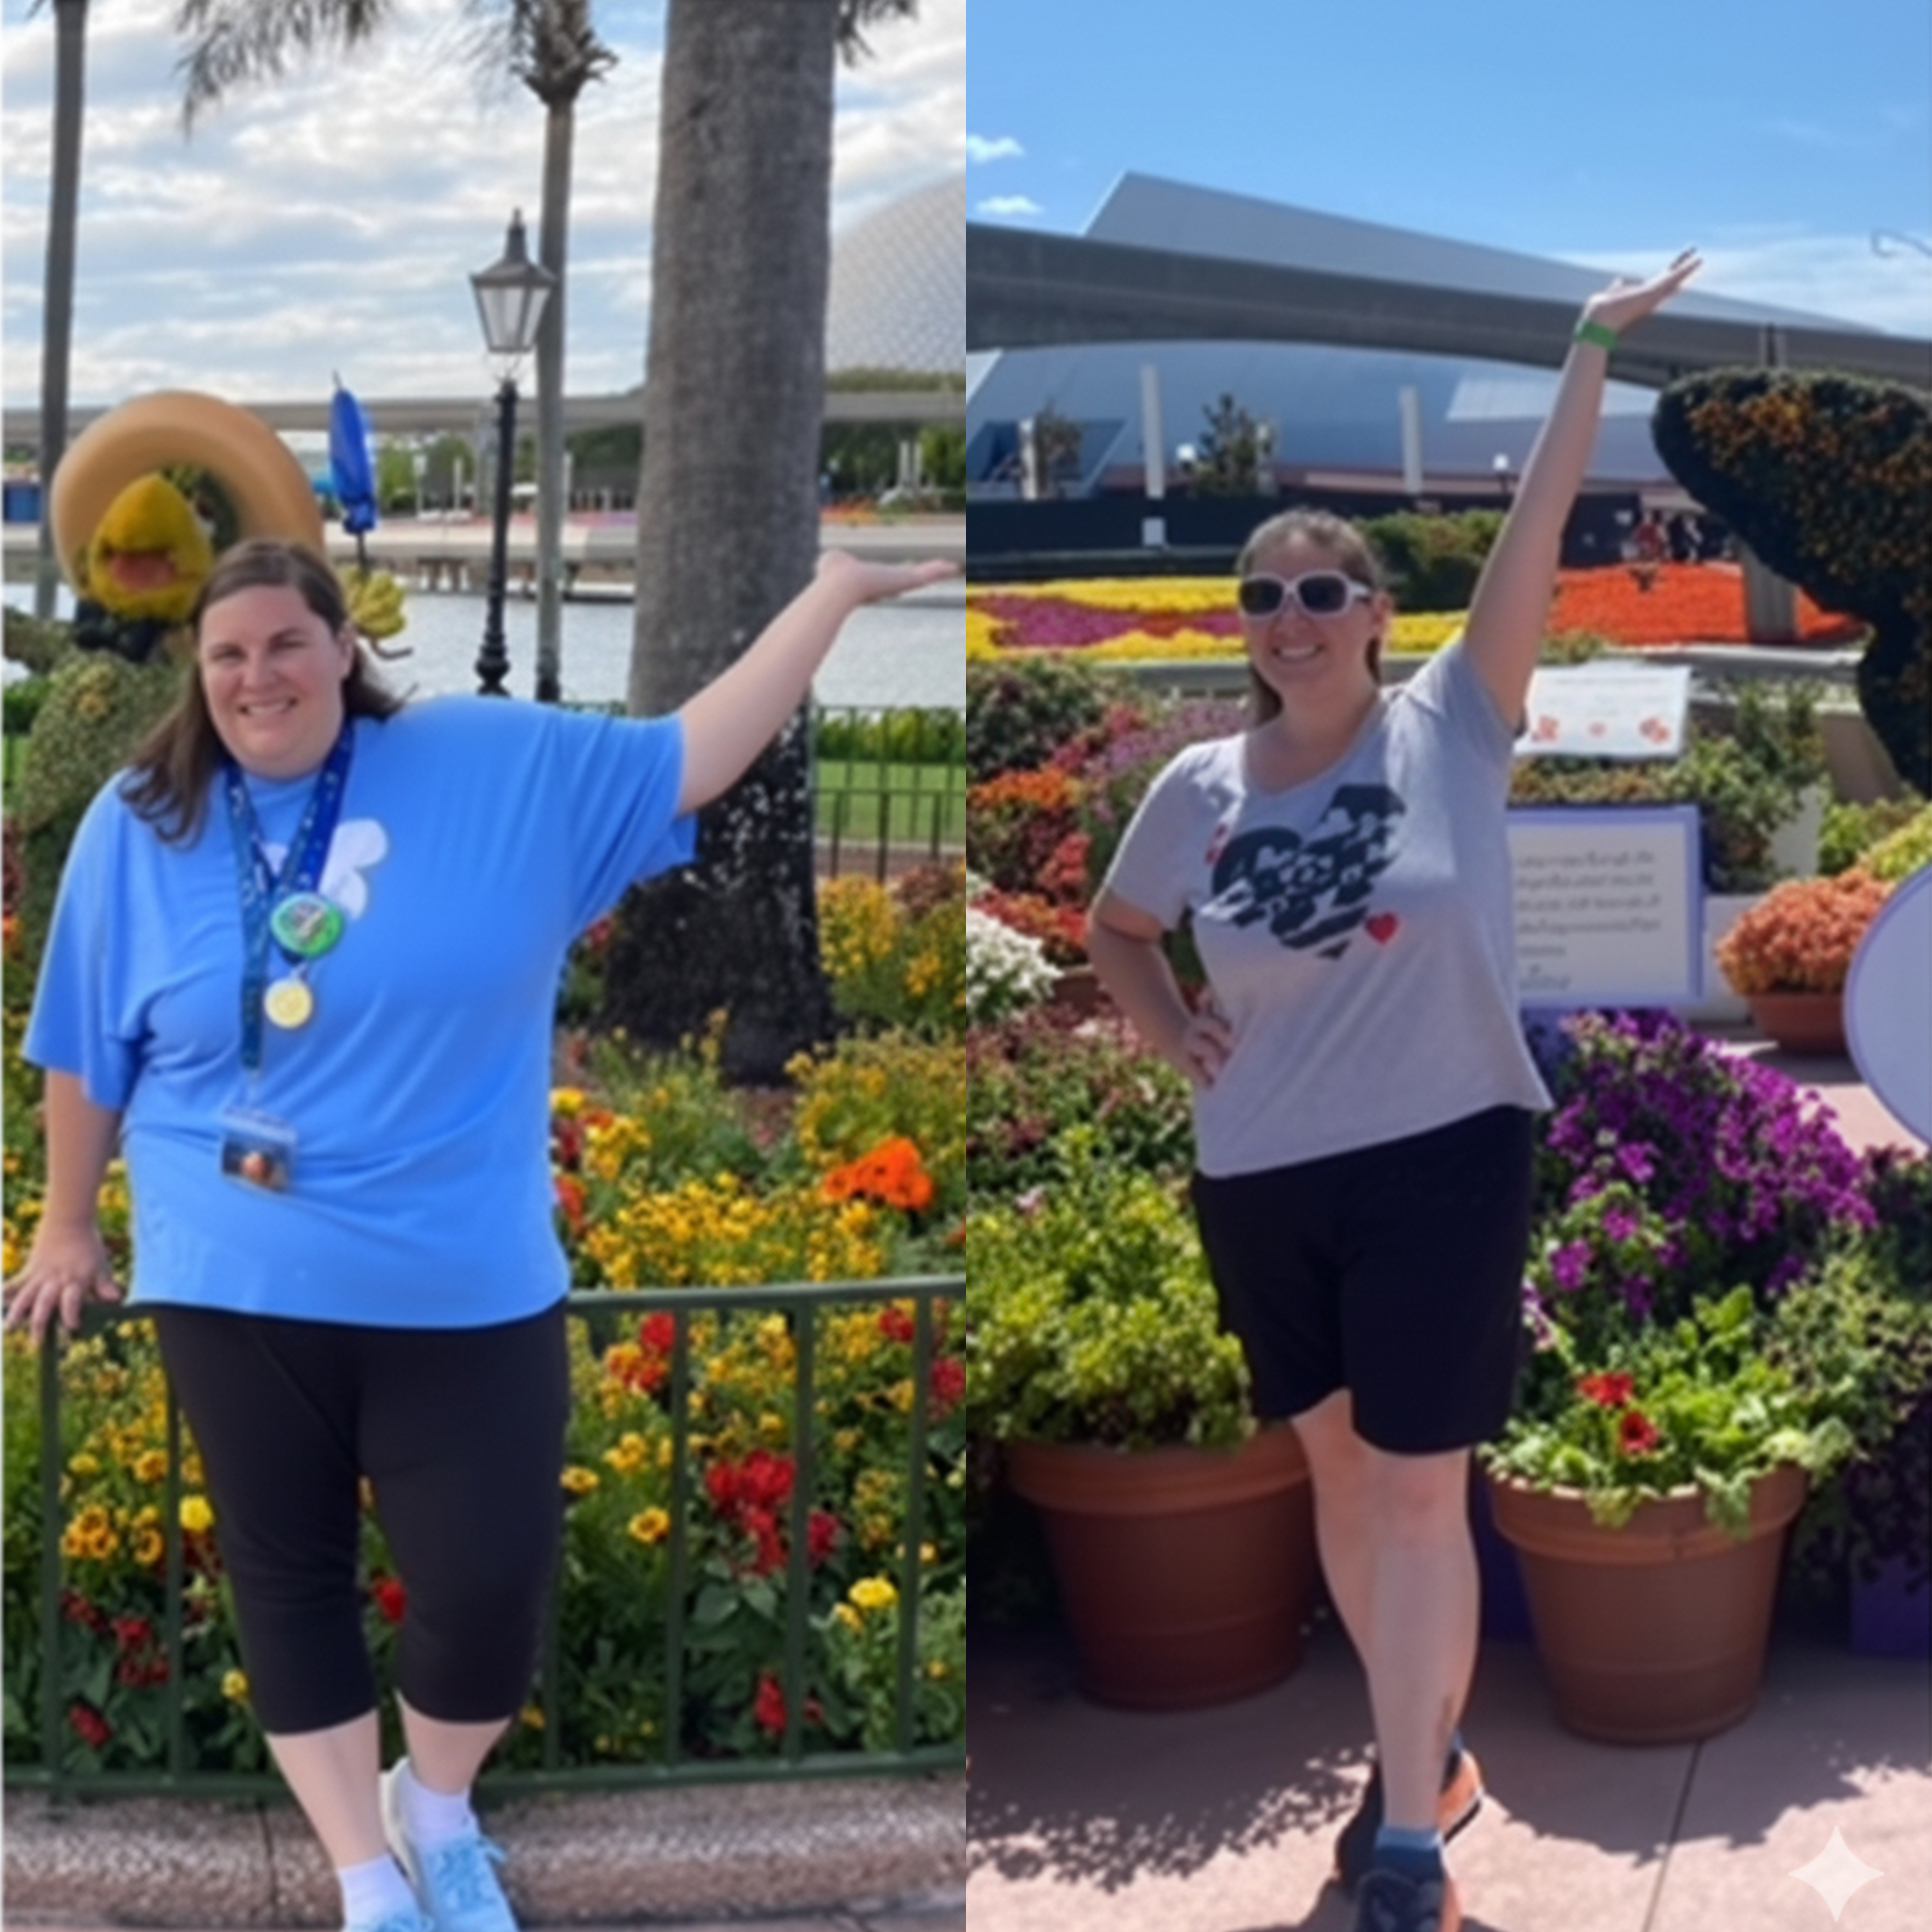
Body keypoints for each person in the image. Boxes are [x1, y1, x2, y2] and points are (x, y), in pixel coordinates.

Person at [2, 534, 957, 1932]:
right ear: (197, 675)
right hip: (236, 1263)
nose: (256, 675)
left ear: (344, 650)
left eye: (284, 643)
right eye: (226, 654)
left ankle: (434, 1803)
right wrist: (65, 1222)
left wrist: (830, 589)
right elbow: (88, 1043)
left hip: (465, 1267)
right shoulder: (141, 819)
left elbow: (697, 752)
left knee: (490, 1576)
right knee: (287, 1570)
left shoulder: (494, 768)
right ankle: (363, 1873)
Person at [1084, 252, 1701, 1932]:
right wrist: (1163, 1027)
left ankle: (1413, 1847)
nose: (1290, 621)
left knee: (1421, 1484)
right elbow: (1117, 930)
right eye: (1262, 601)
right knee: (1346, 1486)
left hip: (1443, 1149)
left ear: (1377, 615)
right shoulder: (1194, 790)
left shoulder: (1452, 725)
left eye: (1321, 595)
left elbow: (1541, 527)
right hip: (1263, 1170)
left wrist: (1582, 349)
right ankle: (1422, 1757)